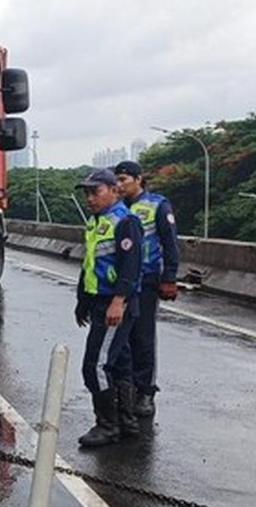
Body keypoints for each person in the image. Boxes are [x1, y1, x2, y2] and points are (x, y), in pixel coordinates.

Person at [74, 168, 143, 447]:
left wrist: (118, 302)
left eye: (96, 192)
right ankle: (127, 421)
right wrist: (83, 302)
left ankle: (107, 425)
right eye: (87, 193)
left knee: (95, 365)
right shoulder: (96, 221)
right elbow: (90, 265)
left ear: (114, 190)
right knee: (120, 363)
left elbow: (131, 266)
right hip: (99, 301)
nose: (90, 198)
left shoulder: (125, 221)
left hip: (116, 305)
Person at [113, 160, 180, 418]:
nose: (119, 185)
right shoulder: (115, 209)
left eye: (124, 180)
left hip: (147, 279)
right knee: (120, 340)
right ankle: (124, 389)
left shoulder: (157, 205)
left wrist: (169, 277)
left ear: (138, 179)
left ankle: (145, 392)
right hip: (120, 282)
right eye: (116, 180)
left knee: (142, 337)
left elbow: (170, 243)